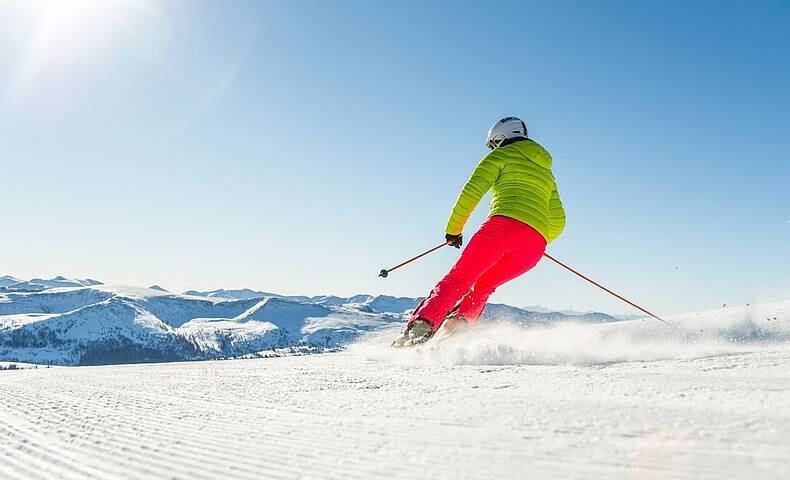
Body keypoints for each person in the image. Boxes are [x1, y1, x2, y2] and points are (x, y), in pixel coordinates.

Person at [392, 116, 566, 348]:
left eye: (493, 143)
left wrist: (454, 231)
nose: (493, 148)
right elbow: (559, 220)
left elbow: (471, 192)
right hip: (534, 246)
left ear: (499, 138)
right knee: (484, 286)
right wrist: (538, 238)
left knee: (460, 279)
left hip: (502, 229)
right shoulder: (547, 173)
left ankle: (417, 332)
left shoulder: (501, 155)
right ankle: (456, 333)